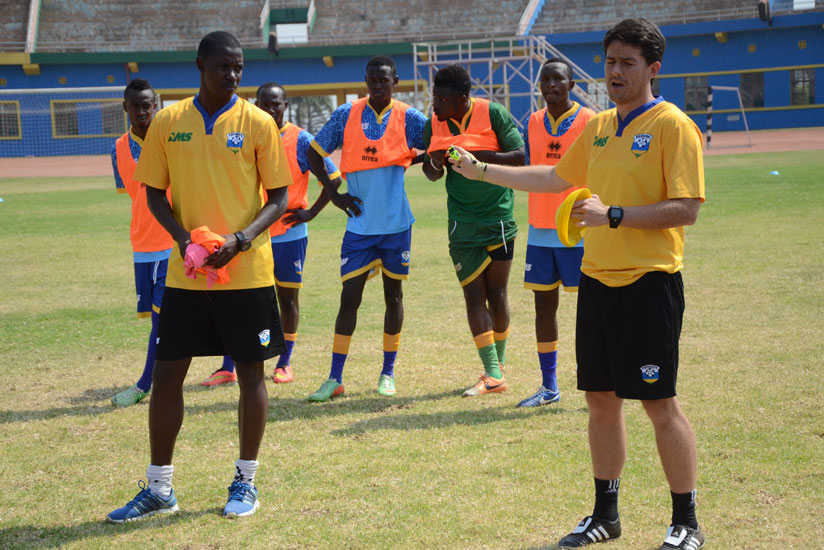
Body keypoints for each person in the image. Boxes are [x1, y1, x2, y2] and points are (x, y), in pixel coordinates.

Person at [448, 18, 705, 550]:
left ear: (652, 69)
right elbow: (553, 176)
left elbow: (686, 208)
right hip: (597, 283)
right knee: (600, 402)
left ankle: (686, 521)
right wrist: (482, 171)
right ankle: (605, 515)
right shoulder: (601, 125)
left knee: (660, 404)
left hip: (649, 284)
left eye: (626, 63)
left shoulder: (671, 125)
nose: (614, 71)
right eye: (610, 61)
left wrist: (613, 215)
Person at [106, 30, 292, 522]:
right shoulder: (168, 122)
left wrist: (239, 240)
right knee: (168, 374)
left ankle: (246, 481)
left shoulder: (257, 123)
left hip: (246, 273)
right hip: (187, 277)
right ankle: (160, 488)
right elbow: (152, 193)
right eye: (222, 67)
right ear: (199, 65)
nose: (231, 75)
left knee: (251, 374)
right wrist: (184, 240)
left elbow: (279, 197)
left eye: (238, 68)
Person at [200, 82, 343, 386]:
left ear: (285, 106)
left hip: (288, 236)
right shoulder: (244, 134)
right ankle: (229, 365)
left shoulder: (301, 140)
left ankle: (284, 361)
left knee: (286, 299)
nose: (270, 109)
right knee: (240, 298)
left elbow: (333, 175)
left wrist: (311, 212)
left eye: (276, 104)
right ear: (256, 104)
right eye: (264, 104)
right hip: (248, 234)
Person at [304, 55, 427, 402]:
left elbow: (436, 143)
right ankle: (335, 378)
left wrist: (406, 158)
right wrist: (334, 195)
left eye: (384, 80)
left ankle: (387, 373)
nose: (377, 85)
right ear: (366, 81)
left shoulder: (410, 117)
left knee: (394, 297)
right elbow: (314, 153)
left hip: (396, 225)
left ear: (396, 81)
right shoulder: (346, 115)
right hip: (359, 226)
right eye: (372, 80)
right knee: (349, 299)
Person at [110, 79, 236, 405]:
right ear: (125, 108)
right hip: (142, 246)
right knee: (166, 316)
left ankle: (145, 383)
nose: (141, 111)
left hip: (178, 243)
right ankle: (228, 365)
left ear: (157, 105)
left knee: (165, 318)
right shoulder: (118, 148)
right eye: (135, 105)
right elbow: (138, 197)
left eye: (147, 105)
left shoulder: (172, 137)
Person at [421, 64, 525, 398]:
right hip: (462, 223)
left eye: (441, 98)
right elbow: (431, 173)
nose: (434, 104)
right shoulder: (434, 123)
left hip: (499, 216)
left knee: (498, 295)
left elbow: (520, 157)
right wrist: (437, 161)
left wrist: (474, 156)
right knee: (473, 295)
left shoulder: (493, 113)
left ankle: (499, 365)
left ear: (463, 99)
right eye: (433, 96)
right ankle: (493, 373)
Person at [516, 59, 595, 408]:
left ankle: (598, 383)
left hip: (578, 231)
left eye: (557, 79)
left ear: (572, 83)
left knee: (593, 309)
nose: (550, 85)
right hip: (539, 231)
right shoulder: (532, 121)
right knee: (543, 309)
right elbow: (527, 167)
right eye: (544, 79)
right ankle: (549, 386)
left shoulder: (590, 121)